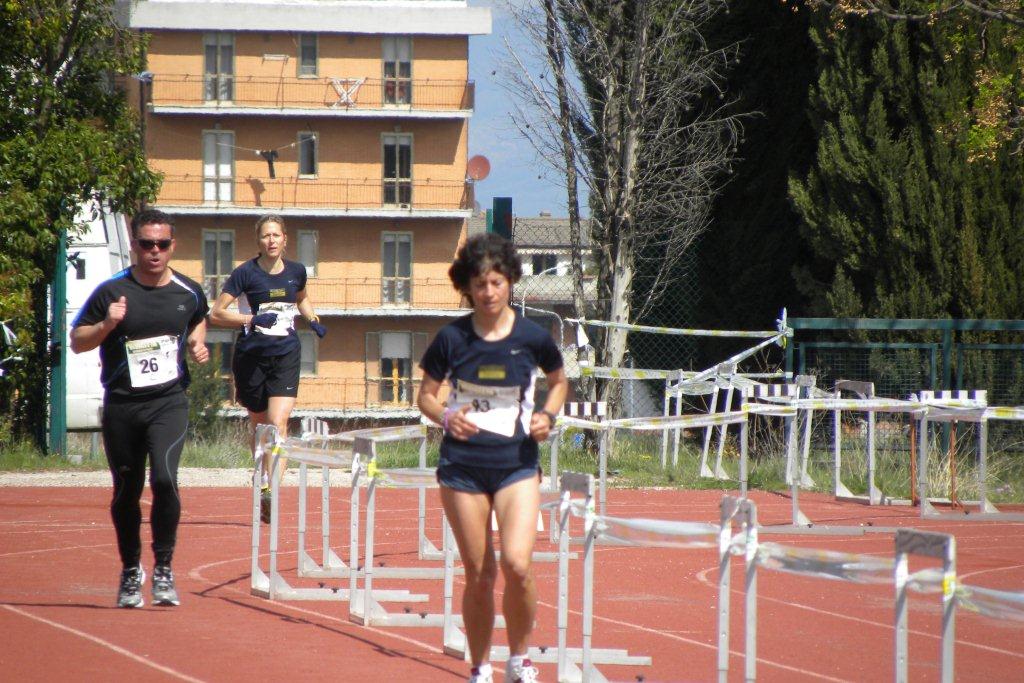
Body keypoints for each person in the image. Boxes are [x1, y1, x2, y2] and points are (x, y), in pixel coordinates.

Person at [417, 233, 567, 683]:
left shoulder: (532, 337)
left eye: (496, 282)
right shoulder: (451, 338)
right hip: (462, 469)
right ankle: (481, 667)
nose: (488, 292)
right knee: (480, 573)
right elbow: (425, 396)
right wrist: (446, 416)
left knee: (517, 565)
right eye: (480, 284)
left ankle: (519, 659)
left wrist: (547, 416)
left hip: (517, 465)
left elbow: (559, 382)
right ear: (467, 285)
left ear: (510, 282)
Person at [70, 208, 210, 608]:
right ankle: (131, 570)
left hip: (168, 402)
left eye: (162, 244)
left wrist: (197, 343)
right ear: (134, 246)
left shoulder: (188, 291)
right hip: (123, 405)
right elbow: (78, 341)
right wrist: (107, 325)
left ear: (172, 246)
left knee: (164, 480)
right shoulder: (112, 291)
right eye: (147, 244)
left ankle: (163, 567)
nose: (154, 251)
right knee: (126, 491)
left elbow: (199, 317)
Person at [209, 214, 326, 523]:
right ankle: (261, 475)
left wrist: (313, 319)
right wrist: (251, 319)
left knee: (278, 423)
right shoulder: (245, 274)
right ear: (258, 241)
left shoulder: (296, 271)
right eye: (265, 236)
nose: (271, 240)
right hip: (251, 358)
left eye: (276, 235)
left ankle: (271, 489)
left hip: (286, 354)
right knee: (260, 426)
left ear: (284, 238)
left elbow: (302, 299)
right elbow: (216, 314)